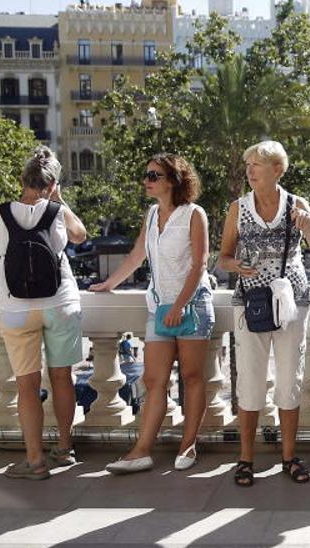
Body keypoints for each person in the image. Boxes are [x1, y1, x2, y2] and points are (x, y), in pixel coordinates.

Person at [90, 153, 215, 474]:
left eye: (154, 175)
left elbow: (200, 264)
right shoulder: (150, 215)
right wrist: (109, 283)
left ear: (173, 180)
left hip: (193, 306)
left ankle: (188, 446)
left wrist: (180, 306)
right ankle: (141, 450)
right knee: (153, 379)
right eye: (146, 174)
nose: (146, 180)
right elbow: (136, 256)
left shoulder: (193, 214)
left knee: (191, 377)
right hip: (159, 307)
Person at [217, 141, 310, 486]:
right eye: (248, 163)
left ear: (277, 169)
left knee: (289, 379)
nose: (250, 170)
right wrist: (235, 264)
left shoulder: (297, 205)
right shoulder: (238, 208)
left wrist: (308, 226)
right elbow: (221, 257)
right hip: (250, 301)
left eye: (257, 164)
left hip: (291, 301)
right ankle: (245, 459)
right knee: (250, 379)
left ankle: (289, 457)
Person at [0, 146, 89, 480]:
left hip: (16, 308)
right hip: (59, 303)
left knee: (27, 386)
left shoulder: (1, 212)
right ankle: (64, 449)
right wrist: (58, 199)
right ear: (51, 185)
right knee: (62, 377)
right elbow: (80, 235)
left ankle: (34, 462)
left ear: (23, 179)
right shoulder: (57, 212)